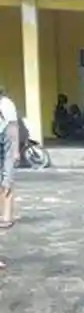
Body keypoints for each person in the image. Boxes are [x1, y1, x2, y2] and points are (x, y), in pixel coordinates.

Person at [0, 86, 19, 230]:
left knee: (7, 180)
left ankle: (7, 217)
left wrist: (15, 150)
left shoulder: (6, 104)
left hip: (7, 143)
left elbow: (13, 129)